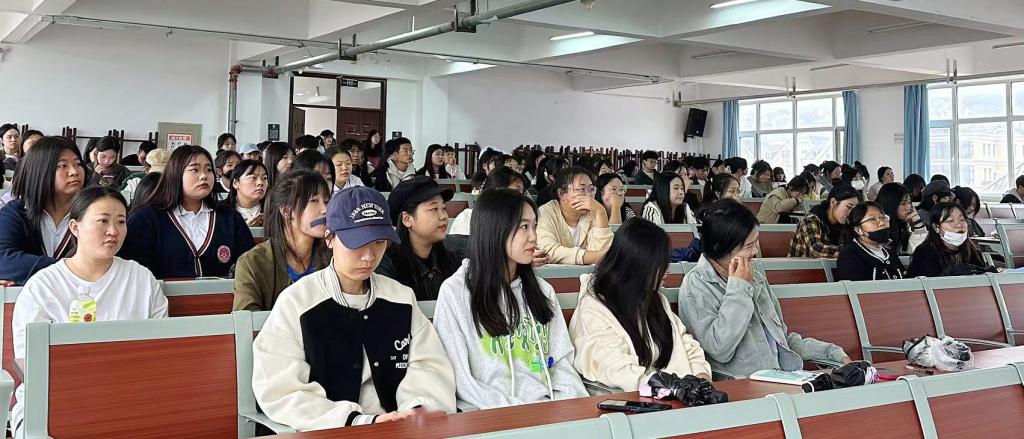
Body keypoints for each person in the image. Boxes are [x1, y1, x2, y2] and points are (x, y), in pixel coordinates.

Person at [252, 186, 455, 431]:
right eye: (357, 243)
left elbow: (429, 366)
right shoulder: (297, 303)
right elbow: (281, 389)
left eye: (378, 242)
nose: (369, 256)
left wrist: (415, 409)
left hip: (397, 429)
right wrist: (355, 421)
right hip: (330, 430)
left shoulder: (401, 298)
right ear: (329, 238)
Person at [9, 187, 169, 438]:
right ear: (75, 227)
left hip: (129, 398)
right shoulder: (43, 286)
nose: (113, 231)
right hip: (53, 401)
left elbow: (160, 352)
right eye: (103, 221)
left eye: (121, 222)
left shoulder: (142, 279)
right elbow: (31, 365)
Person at [433, 189, 587, 408]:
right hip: (493, 415)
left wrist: (572, 410)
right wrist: (515, 413)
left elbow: (562, 364)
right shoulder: (456, 293)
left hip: (550, 413)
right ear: (495, 229)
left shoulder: (543, 291)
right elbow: (462, 380)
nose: (533, 236)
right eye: (524, 226)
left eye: (534, 226)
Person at [678, 199, 850, 378]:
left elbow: (781, 340)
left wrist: (831, 353)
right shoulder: (696, 286)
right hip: (742, 384)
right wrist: (739, 288)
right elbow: (719, 349)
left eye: (756, 242)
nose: (755, 252)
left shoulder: (756, 278)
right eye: (748, 246)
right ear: (719, 247)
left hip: (780, 377)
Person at [569, 218, 711, 391]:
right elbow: (613, 368)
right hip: (637, 398)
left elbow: (686, 344)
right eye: (660, 264)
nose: (667, 270)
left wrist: (701, 376)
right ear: (639, 266)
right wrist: (669, 389)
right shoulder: (594, 308)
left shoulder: (654, 299)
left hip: (672, 394)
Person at [120, 145, 255, 279]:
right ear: (176, 174)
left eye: (208, 170)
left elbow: (250, 263)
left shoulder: (229, 217)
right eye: (195, 170)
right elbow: (133, 272)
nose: (204, 176)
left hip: (224, 293)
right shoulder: (146, 218)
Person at [234, 170, 331, 311]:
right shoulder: (253, 262)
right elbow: (247, 319)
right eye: (314, 201)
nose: (325, 210)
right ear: (286, 211)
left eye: (327, 201)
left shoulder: (334, 255)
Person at [0, 137, 85, 284]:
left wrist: (25, 273)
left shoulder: (92, 212)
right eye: (62, 165)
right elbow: (4, 260)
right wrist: (72, 270)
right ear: (40, 170)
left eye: (77, 164)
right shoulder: (17, 212)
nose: (74, 172)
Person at [375, 176, 459, 301]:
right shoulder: (387, 269)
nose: (443, 216)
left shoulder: (453, 262)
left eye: (444, 208)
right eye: (434, 209)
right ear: (407, 219)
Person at [537, 167, 612, 265]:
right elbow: (548, 251)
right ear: (561, 194)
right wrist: (590, 257)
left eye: (591, 189)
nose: (589, 195)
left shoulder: (594, 212)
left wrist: (601, 212)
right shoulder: (545, 212)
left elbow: (602, 252)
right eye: (582, 189)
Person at [908, 202, 991, 277]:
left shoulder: (972, 251)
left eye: (962, 220)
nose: (959, 225)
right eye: (950, 221)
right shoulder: (925, 252)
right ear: (936, 227)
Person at [835, 202, 905, 281]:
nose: (882, 223)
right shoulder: (849, 255)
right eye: (872, 219)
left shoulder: (888, 251)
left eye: (883, 217)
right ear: (858, 230)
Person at [449, 167, 527, 236]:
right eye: (516, 191)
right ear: (495, 192)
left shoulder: (521, 220)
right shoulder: (467, 219)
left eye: (522, 192)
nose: (521, 198)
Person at [788, 185, 859, 258]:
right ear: (833, 202)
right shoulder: (810, 220)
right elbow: (816, 249)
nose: (851, 213)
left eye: (854, 209)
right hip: (802, 264)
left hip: (831, 264)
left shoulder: (846, 222)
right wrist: (851, 250)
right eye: (848, 207)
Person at [875, 182, 927, 255]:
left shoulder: (902, 224)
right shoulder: (879, 230)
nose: (908, 208)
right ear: (890, 205)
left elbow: (917, 253)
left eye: (909, 202)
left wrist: (918, 224)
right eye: (903, 204)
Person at [226, 160, 268, 226]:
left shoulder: (274, 210)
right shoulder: (221, 212)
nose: (260, 183)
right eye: (253, 177)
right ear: (235, 183)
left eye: (264, 178)